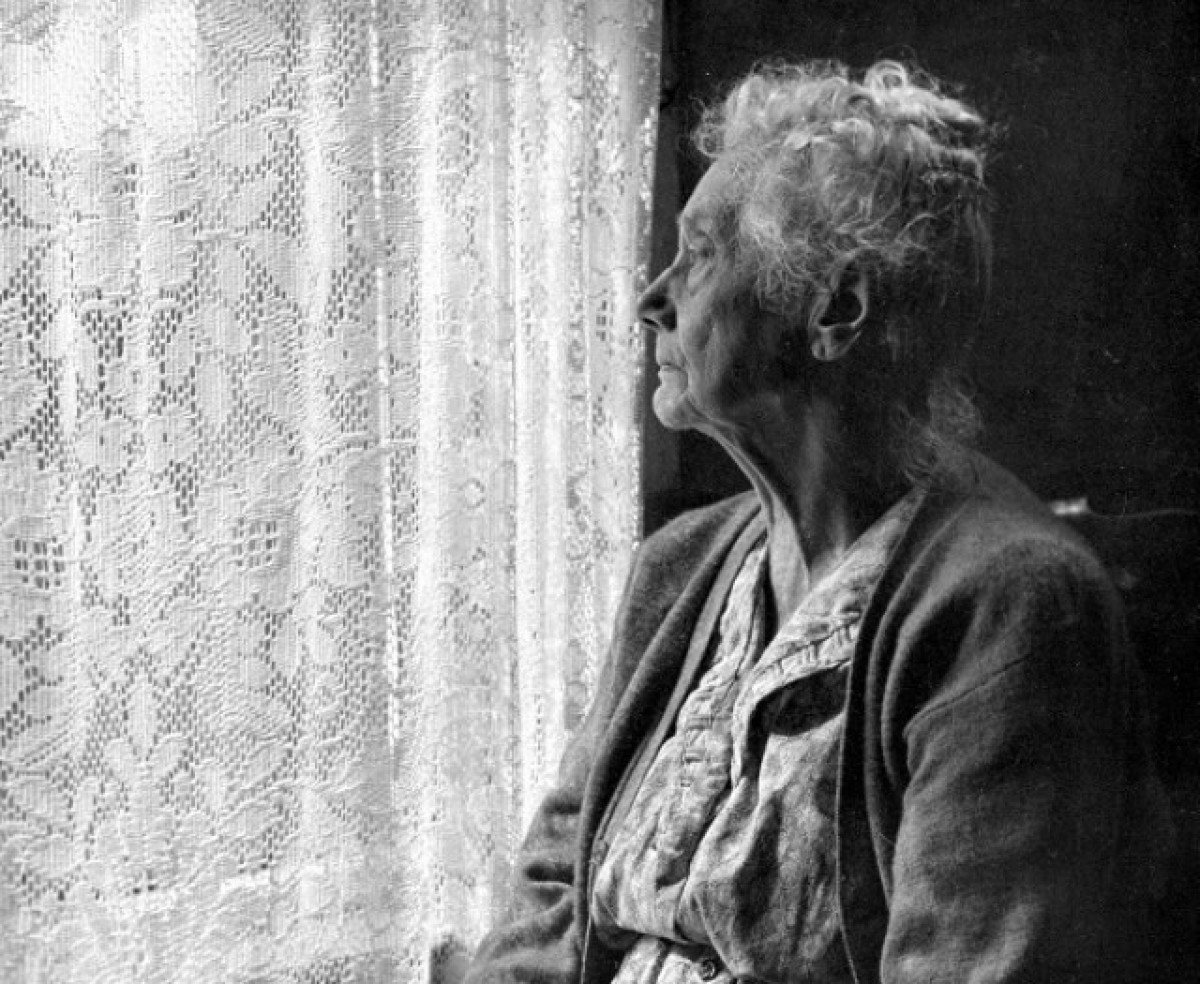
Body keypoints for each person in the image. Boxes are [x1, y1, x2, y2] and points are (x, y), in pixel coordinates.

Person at [466, 60, 1170, 984]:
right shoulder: (679, 566)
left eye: (700, 254)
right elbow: (556, 894)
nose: (653, 299)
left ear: (836, 309)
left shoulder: (1009, 606)